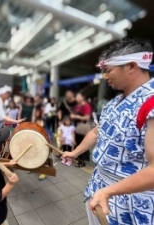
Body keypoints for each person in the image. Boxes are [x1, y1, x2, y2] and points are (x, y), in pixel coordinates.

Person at [63, 39, 154, 224]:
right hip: (99, 189)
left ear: (131, 66)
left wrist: (109, 191)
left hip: (131, 202)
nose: (105, 76)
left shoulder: (150, 104)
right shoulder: (114, 103)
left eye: (108, 70)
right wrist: (74, 152)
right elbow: (97, 133)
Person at [70, 93, 92, 167]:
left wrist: (75, 116)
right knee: (77, 142)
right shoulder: (76, 106)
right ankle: (77, 158)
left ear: (83, 97)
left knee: (83, 143)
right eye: (76, 96)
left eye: (78, 96)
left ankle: (82, 161)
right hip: (77, 127)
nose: (77, 98)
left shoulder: (86, 106)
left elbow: (87, 117)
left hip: (82, 127)